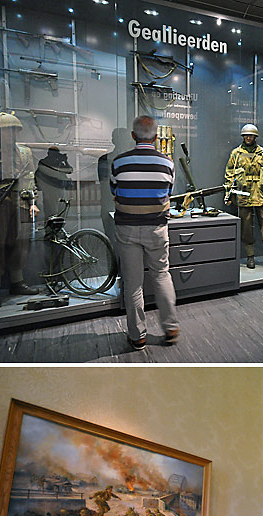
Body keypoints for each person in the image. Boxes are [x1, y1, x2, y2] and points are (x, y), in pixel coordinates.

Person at [110, 115, 179, 350]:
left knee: (133, 283)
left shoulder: (119, 163)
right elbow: (168, 191)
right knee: (161, 275)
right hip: (157, 229)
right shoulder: (167, 163)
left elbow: (114, 192)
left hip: (127, 229)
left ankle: (137, 335)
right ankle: (171, 327)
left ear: (133, 136)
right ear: (157, 137)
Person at [0, 112, 40, 309]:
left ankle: (17, 282)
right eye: (5, 131)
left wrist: (33, 201)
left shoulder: (24, 152)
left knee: (20, 244)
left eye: (13, 130)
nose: (11, 134)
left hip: (21, 202)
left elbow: (30, 177)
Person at [224, 123, 263, 271]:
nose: (248, 138)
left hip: (261, 194)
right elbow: (229, 175)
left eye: (251, 135)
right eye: (246, 135)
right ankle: (250, 256)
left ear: (255, 137)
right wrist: (228, 195)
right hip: (244, 195)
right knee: (246, 227)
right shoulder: (236, 154)